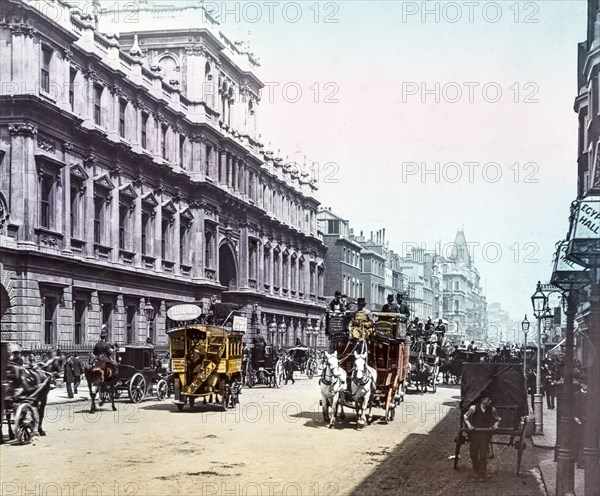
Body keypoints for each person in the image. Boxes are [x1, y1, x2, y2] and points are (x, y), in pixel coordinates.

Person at [463, 395, 501, 482]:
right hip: (474, 435)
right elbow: (465, 417)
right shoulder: (473, 408)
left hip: (485, 435)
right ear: (483, 400)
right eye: (488, 399)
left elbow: (498, 419)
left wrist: (495, 425)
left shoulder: (492, 410)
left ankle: (482, 474)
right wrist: (469, 426)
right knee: (473, 454)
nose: (490, 401)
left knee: (483, 455)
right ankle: (477, 471)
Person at [573, 377, 587, 468]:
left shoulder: (592, 396)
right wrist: (574, 417)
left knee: (585, 441)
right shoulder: (575, 395)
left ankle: (581, 461)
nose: (587, 386)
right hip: (577, 421)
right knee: (577, 440)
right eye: (585, 384)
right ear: (581, 384)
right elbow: (571, 408)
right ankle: (578, 459)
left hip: (587, 421)